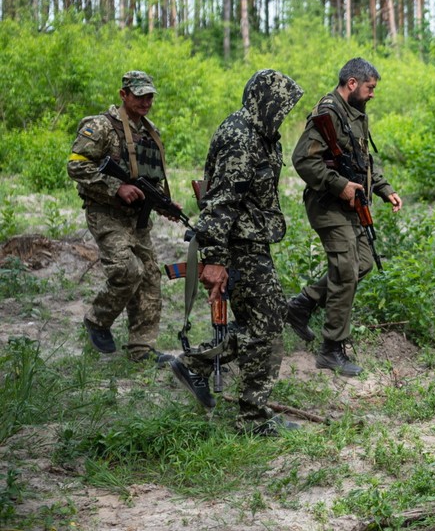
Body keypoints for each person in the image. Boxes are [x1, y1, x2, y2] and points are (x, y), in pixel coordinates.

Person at [167, 69, 305, 437]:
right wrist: (214, 259)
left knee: (267, 320)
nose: (285, 114)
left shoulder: (261, 134)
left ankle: (194, 365)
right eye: (282, 106)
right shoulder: (241, 138)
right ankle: (252, 419)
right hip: (236, 245)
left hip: (250, 240)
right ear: (266, 103)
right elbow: (220, 201)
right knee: (266, 326)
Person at [285, 58, 403, 376]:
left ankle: (301, 305)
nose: (372, 94)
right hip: (328, 205)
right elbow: (302, 160)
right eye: (369, 88)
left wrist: (383, 188)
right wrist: (340, 186)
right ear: (352, 83)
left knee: (362, 263)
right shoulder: (329, 112)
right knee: (346, 270)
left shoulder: (355, 113)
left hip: (352, 205)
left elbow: (362, 159)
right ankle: (331, 348)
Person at [68, 70, 177, 363]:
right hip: (105, 212)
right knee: (128, 270)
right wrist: (117, 187)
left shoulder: (150, 131)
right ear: (124, 95)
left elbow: (149, 180)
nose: (145, 101)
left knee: (150, 277)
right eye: (139, 95)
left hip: (137, 217)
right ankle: (97, 320)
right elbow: (76, 166)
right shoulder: (100, 126)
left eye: (149, 95)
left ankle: (142, 349)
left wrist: (165, 204)